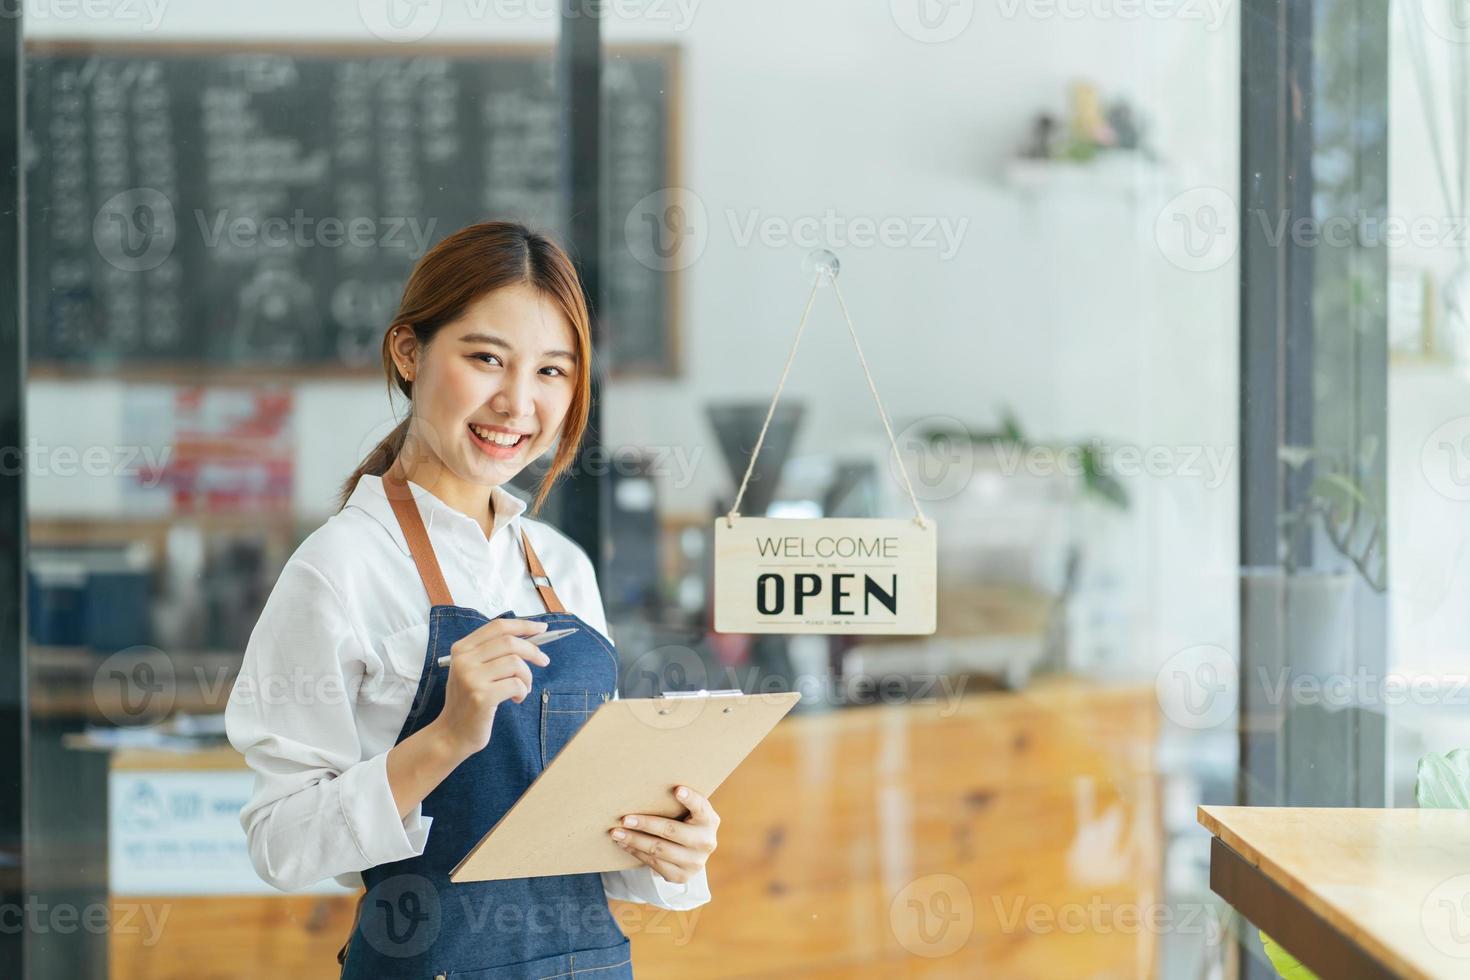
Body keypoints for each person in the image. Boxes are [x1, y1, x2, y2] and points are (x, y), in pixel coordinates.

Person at [225, 221, 715, 979]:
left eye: (553, 371)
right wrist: (446, 739)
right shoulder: (340, 568)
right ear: (409, 352)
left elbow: (587, 845)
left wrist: (671, 849)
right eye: (487, 358)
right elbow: (280, 844)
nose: (518, 403)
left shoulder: (562, 566)